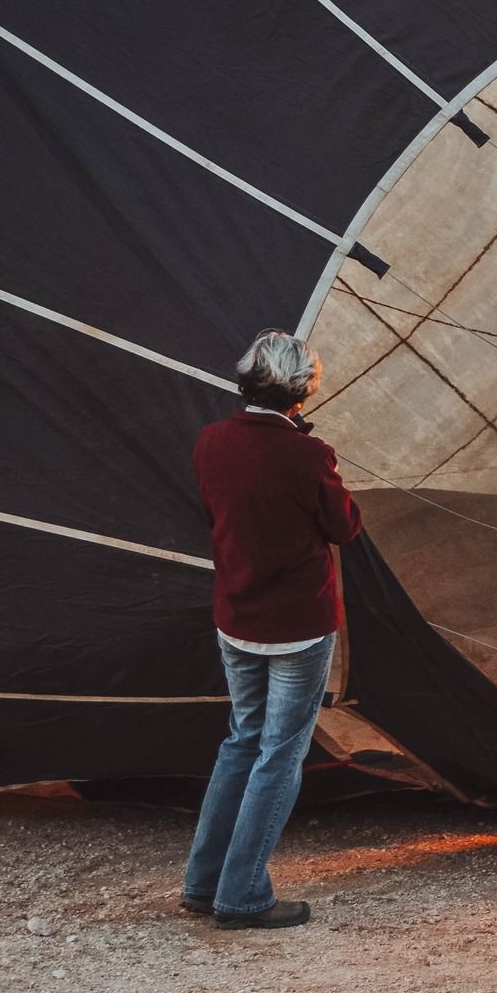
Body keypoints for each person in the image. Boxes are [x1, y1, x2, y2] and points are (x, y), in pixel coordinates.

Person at [181, 331, 362, 930]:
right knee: (279, 755)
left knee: (241, 741)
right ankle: (243, 895)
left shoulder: (211, 443)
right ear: (302, 390)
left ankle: (203, 884)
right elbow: (344, 528)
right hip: (299, 627)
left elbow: (219, 516)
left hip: (235, 617)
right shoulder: (311, 456)